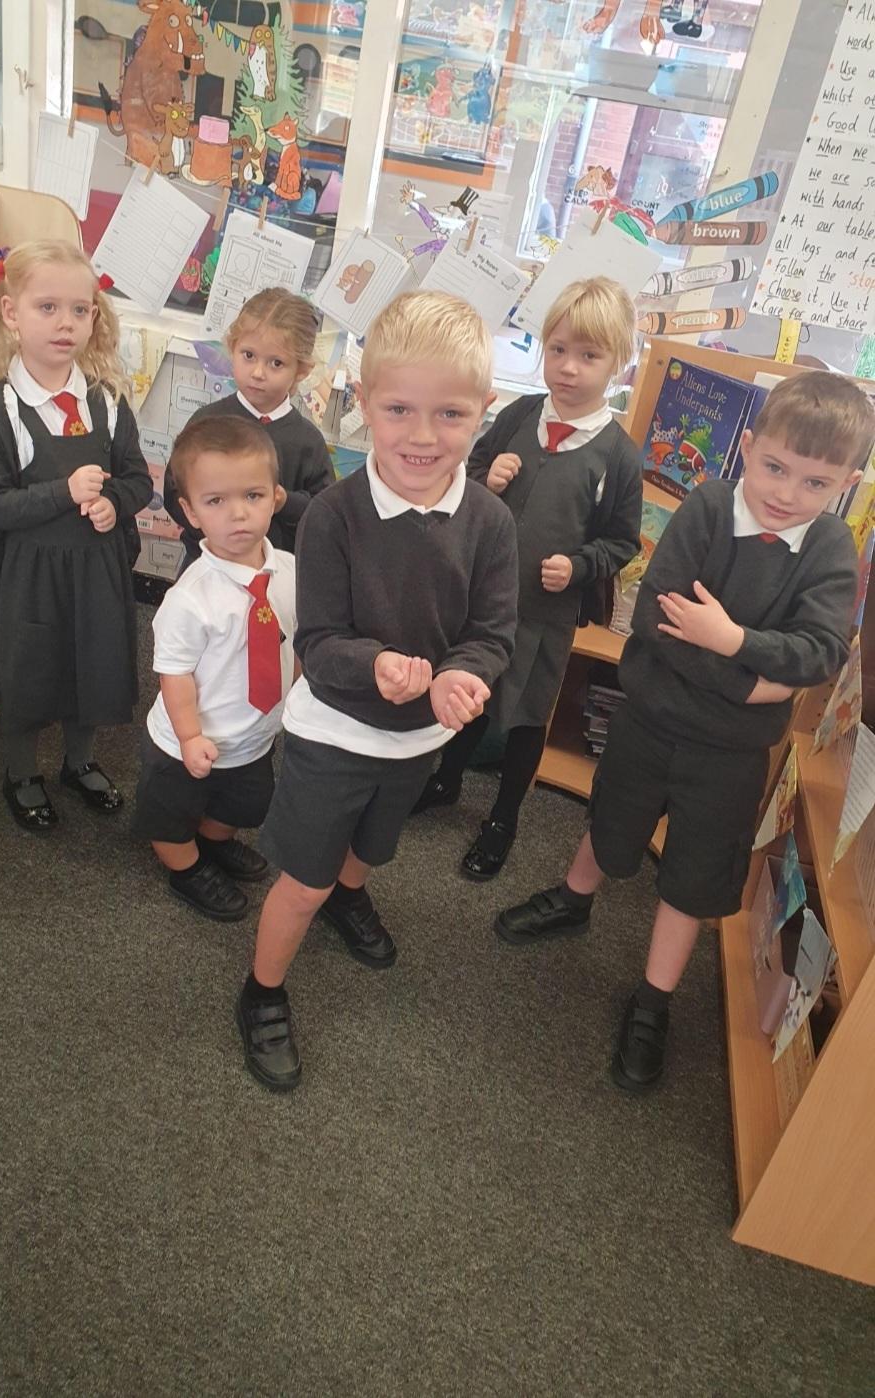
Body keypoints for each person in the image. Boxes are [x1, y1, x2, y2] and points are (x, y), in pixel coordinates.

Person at [496, 371, 874, 1092]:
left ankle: (653, 999)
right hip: (651, 720)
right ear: (749, 447)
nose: (787, 493)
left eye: (816, 483)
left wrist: (731, 639)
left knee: (695, 873)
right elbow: (657, 620)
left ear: (847, 485)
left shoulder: (828, 546)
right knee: (610, 816)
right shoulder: (707, 507)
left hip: (730, 754)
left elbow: (822, 654)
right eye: (775, 467)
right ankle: (574, 898)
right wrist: (754, 680)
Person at [235, 290, 521, 1092]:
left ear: (484, 409)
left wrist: (463, 674)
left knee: (370, 848)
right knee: (305, 879)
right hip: (335, 734)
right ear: (362, 403)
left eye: (450, 414)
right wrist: (378, 668)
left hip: (419, 739)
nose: (423, 437)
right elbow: (321, 644)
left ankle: (349, 896)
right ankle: (262, 990)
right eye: (399, 410)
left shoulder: (491, 523)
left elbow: (491, 633)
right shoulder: (333, 516)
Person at [413, 277, 642, 884]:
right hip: (484, 597)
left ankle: (504, 818)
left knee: (525, 715)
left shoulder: (618, 455)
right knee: (469, 693)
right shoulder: (519, 414)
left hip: (546, 612)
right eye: (557, 349)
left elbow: (622, 541)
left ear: (619, 365)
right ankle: (446, 778)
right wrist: (487, 476)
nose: (568, 367)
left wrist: (580, 566)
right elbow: (469, 467)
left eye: (588, 356)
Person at [0, 240, 153, 832]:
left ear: (95, 316)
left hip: (96, 570)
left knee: (90, 666)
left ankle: (80, 762)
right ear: (11, 314)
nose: (65, 323)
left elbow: (137, 480)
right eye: (47, 308)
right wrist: (64, 493)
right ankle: (21, 772)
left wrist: (114, 504)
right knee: (29, 674)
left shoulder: (107, 401)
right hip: (30, 577)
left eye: (79, 309)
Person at [133, 416, 295, 922]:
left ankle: (213, 843)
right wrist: (188, 736)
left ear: (276, 497)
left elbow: (294, 642)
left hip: (253, 736)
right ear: (190, 512)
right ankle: (187, 868)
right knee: (170, 818)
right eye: (216, 501)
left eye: (253, 495)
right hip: (186, 743)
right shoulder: (191, 597)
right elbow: (175, 674)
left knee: (242, 806)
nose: (238, 514)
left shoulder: (291, 572)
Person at [164, 287, 333, 564]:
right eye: (248, 355)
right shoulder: (207, 423)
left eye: (276, 363)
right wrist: (214, 523)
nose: (258, 372)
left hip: (276, 571)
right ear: (233, 348)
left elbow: (325, 514)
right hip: (208, 565)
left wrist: (284, 502)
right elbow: (174, 492)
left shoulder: (307, 441)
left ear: (301, 370)